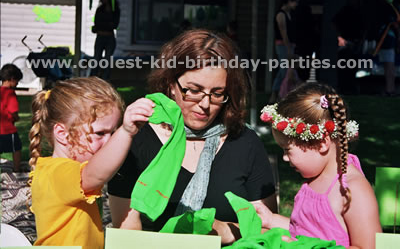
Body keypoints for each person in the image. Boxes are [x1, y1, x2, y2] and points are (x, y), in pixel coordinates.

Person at [107, 29, 278, 244]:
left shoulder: (245, 143)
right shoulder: (136, 141)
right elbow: (127, 232)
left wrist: (222, 231)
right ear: (171, 84)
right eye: (194, 90)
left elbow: (268, 229)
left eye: (217, 94)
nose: (205, 104)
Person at [28, 77, 155, 249]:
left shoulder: (64, 170)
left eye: (113, 132)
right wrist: (125, 132)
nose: (109, 141)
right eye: (100, 133)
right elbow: (94, 175)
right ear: (62, 134)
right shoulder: (56, 173)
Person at [258, 83, 381, 248]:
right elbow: (304, 231)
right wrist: (271, 220)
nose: (285, 158)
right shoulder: (315, 178)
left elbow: (368, 246)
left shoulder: (353, 190)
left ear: (322, 143)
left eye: (288, 150)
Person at [332, 0, 366, 95]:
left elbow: (364, 29)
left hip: (355, 41)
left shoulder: (359, 12)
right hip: (346, 40)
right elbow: (334, 22)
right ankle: (343, 87)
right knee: (343, 65)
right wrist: (340, 37)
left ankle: (350, 87)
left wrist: (361, 41)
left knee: (352, 66)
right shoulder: (346, 11)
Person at [269, 0, 299, 104]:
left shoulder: (289, 14)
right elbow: (283, 33)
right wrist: (288, 50)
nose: (296, 4)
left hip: (289, 44)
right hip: (283, 45)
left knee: (283, 71)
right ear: (289, 1)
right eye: (295, 2)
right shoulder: (280, 14)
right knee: (284, 71)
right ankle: (277, 94)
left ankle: (276, 94)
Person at [374, 0, 400, 96]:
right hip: (387, 41)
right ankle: (390, 88)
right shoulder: (390, 13)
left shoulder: (391, 13)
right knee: (388, 66)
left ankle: (390, 89)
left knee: (389, 66)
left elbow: (395, 26)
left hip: (388, 41)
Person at [91, 0, 120, 80]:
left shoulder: (115, 10)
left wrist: (103, 25)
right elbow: (96, 23)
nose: (104, 0)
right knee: (96, 58)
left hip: (109, 37)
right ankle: (93, 77)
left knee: (107, 59)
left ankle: (105, 79)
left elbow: (114, 25)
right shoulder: (100, 9)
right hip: (100, 37)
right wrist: (107, 24)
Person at [0, 64, 23, 172]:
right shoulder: (10, 93)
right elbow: (13, 111)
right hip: (8, 129)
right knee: (17, 148)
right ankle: (17, 169)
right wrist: (17, 118)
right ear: (12, 79)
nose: (17, 83)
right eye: (17, 81)